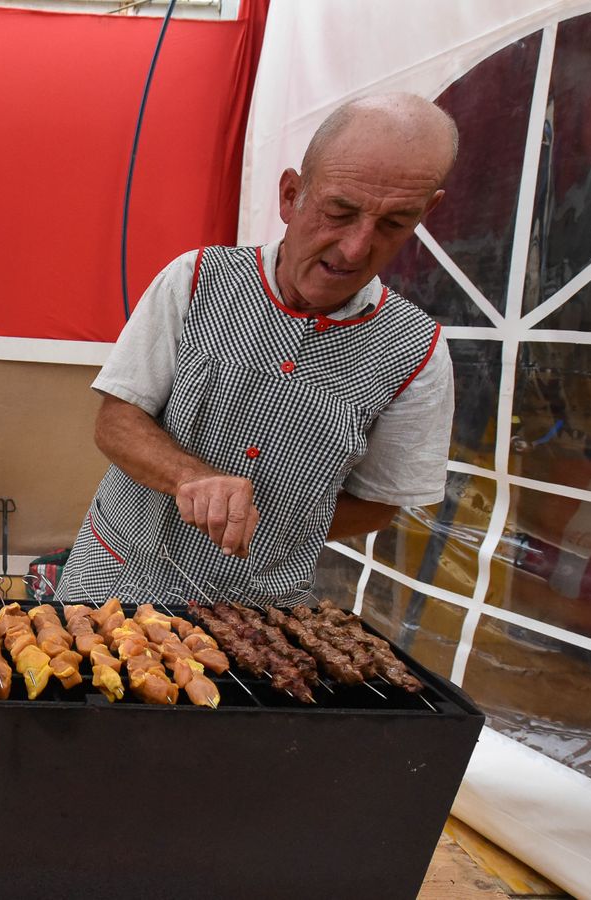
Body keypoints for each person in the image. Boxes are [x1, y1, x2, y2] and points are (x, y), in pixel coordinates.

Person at [55, 93, 458, 607]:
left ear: (426, 212)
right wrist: (191, 477)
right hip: (116, 581)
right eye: (339, 212)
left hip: (257, 612)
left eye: (393, 224)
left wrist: (278, 523)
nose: (355, 248)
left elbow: (380, 502)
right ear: (291, 195)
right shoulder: (197, 280)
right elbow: (116, 422)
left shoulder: (417, 352)